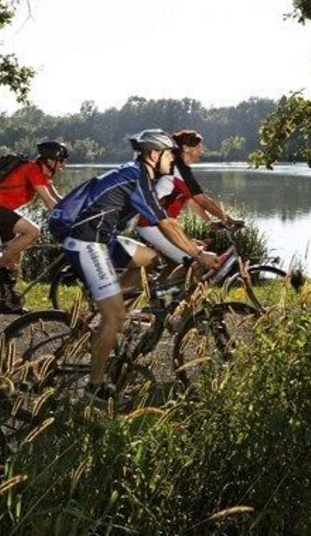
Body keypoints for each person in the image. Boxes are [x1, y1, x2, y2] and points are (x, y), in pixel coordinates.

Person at [49, 128, 219, 402]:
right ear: (153, 154)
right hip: (87, 242)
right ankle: (94, 386)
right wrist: (198, 256)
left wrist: (190, 245)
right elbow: (164, 224)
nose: (171, 160)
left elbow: (167, 220)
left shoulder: (139, 175)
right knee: (113, 316)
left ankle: (113, 306)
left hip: (103, 238)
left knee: (149, 259)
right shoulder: (137, 176)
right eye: (167, 155)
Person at [0, 141, 67, 308]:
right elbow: (48, 201)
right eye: (61, 160)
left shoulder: (42, 175)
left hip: (0, 210)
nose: (64, 164)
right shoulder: (32, 170)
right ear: (50, 160)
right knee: (33, 231)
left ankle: (9, 302)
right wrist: (64, 219)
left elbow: (58, 200)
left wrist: (78, 211)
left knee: (15, 260)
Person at [134, 129, 241, 267]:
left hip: (160, 224)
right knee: (196, 262)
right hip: (153, 225)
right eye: (198, 147)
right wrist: (229, 220)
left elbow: (191, 201)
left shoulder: (180, 168)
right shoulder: (177, 169)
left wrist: (210, 223)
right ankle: (169, 289)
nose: (201, 151)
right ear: (185, 148)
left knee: (191, 256)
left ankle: (167, 287)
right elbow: (203, 201)